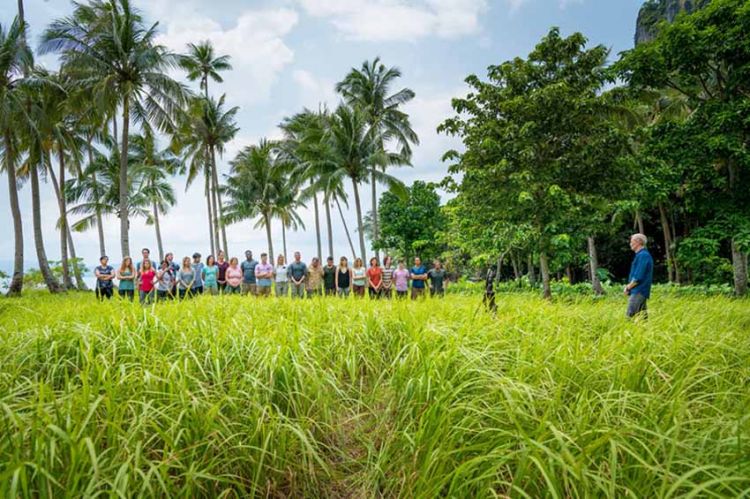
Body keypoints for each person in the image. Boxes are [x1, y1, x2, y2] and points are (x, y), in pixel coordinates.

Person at [624, 233, 654, 319]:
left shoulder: (643, 256)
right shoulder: (640, 255)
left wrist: (628, 287)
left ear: (639, 242)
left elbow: (638, 277)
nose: (630, 244)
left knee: (630, 317)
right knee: (642, 319)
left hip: (639, 291)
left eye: (631, 241)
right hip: (639, 291)